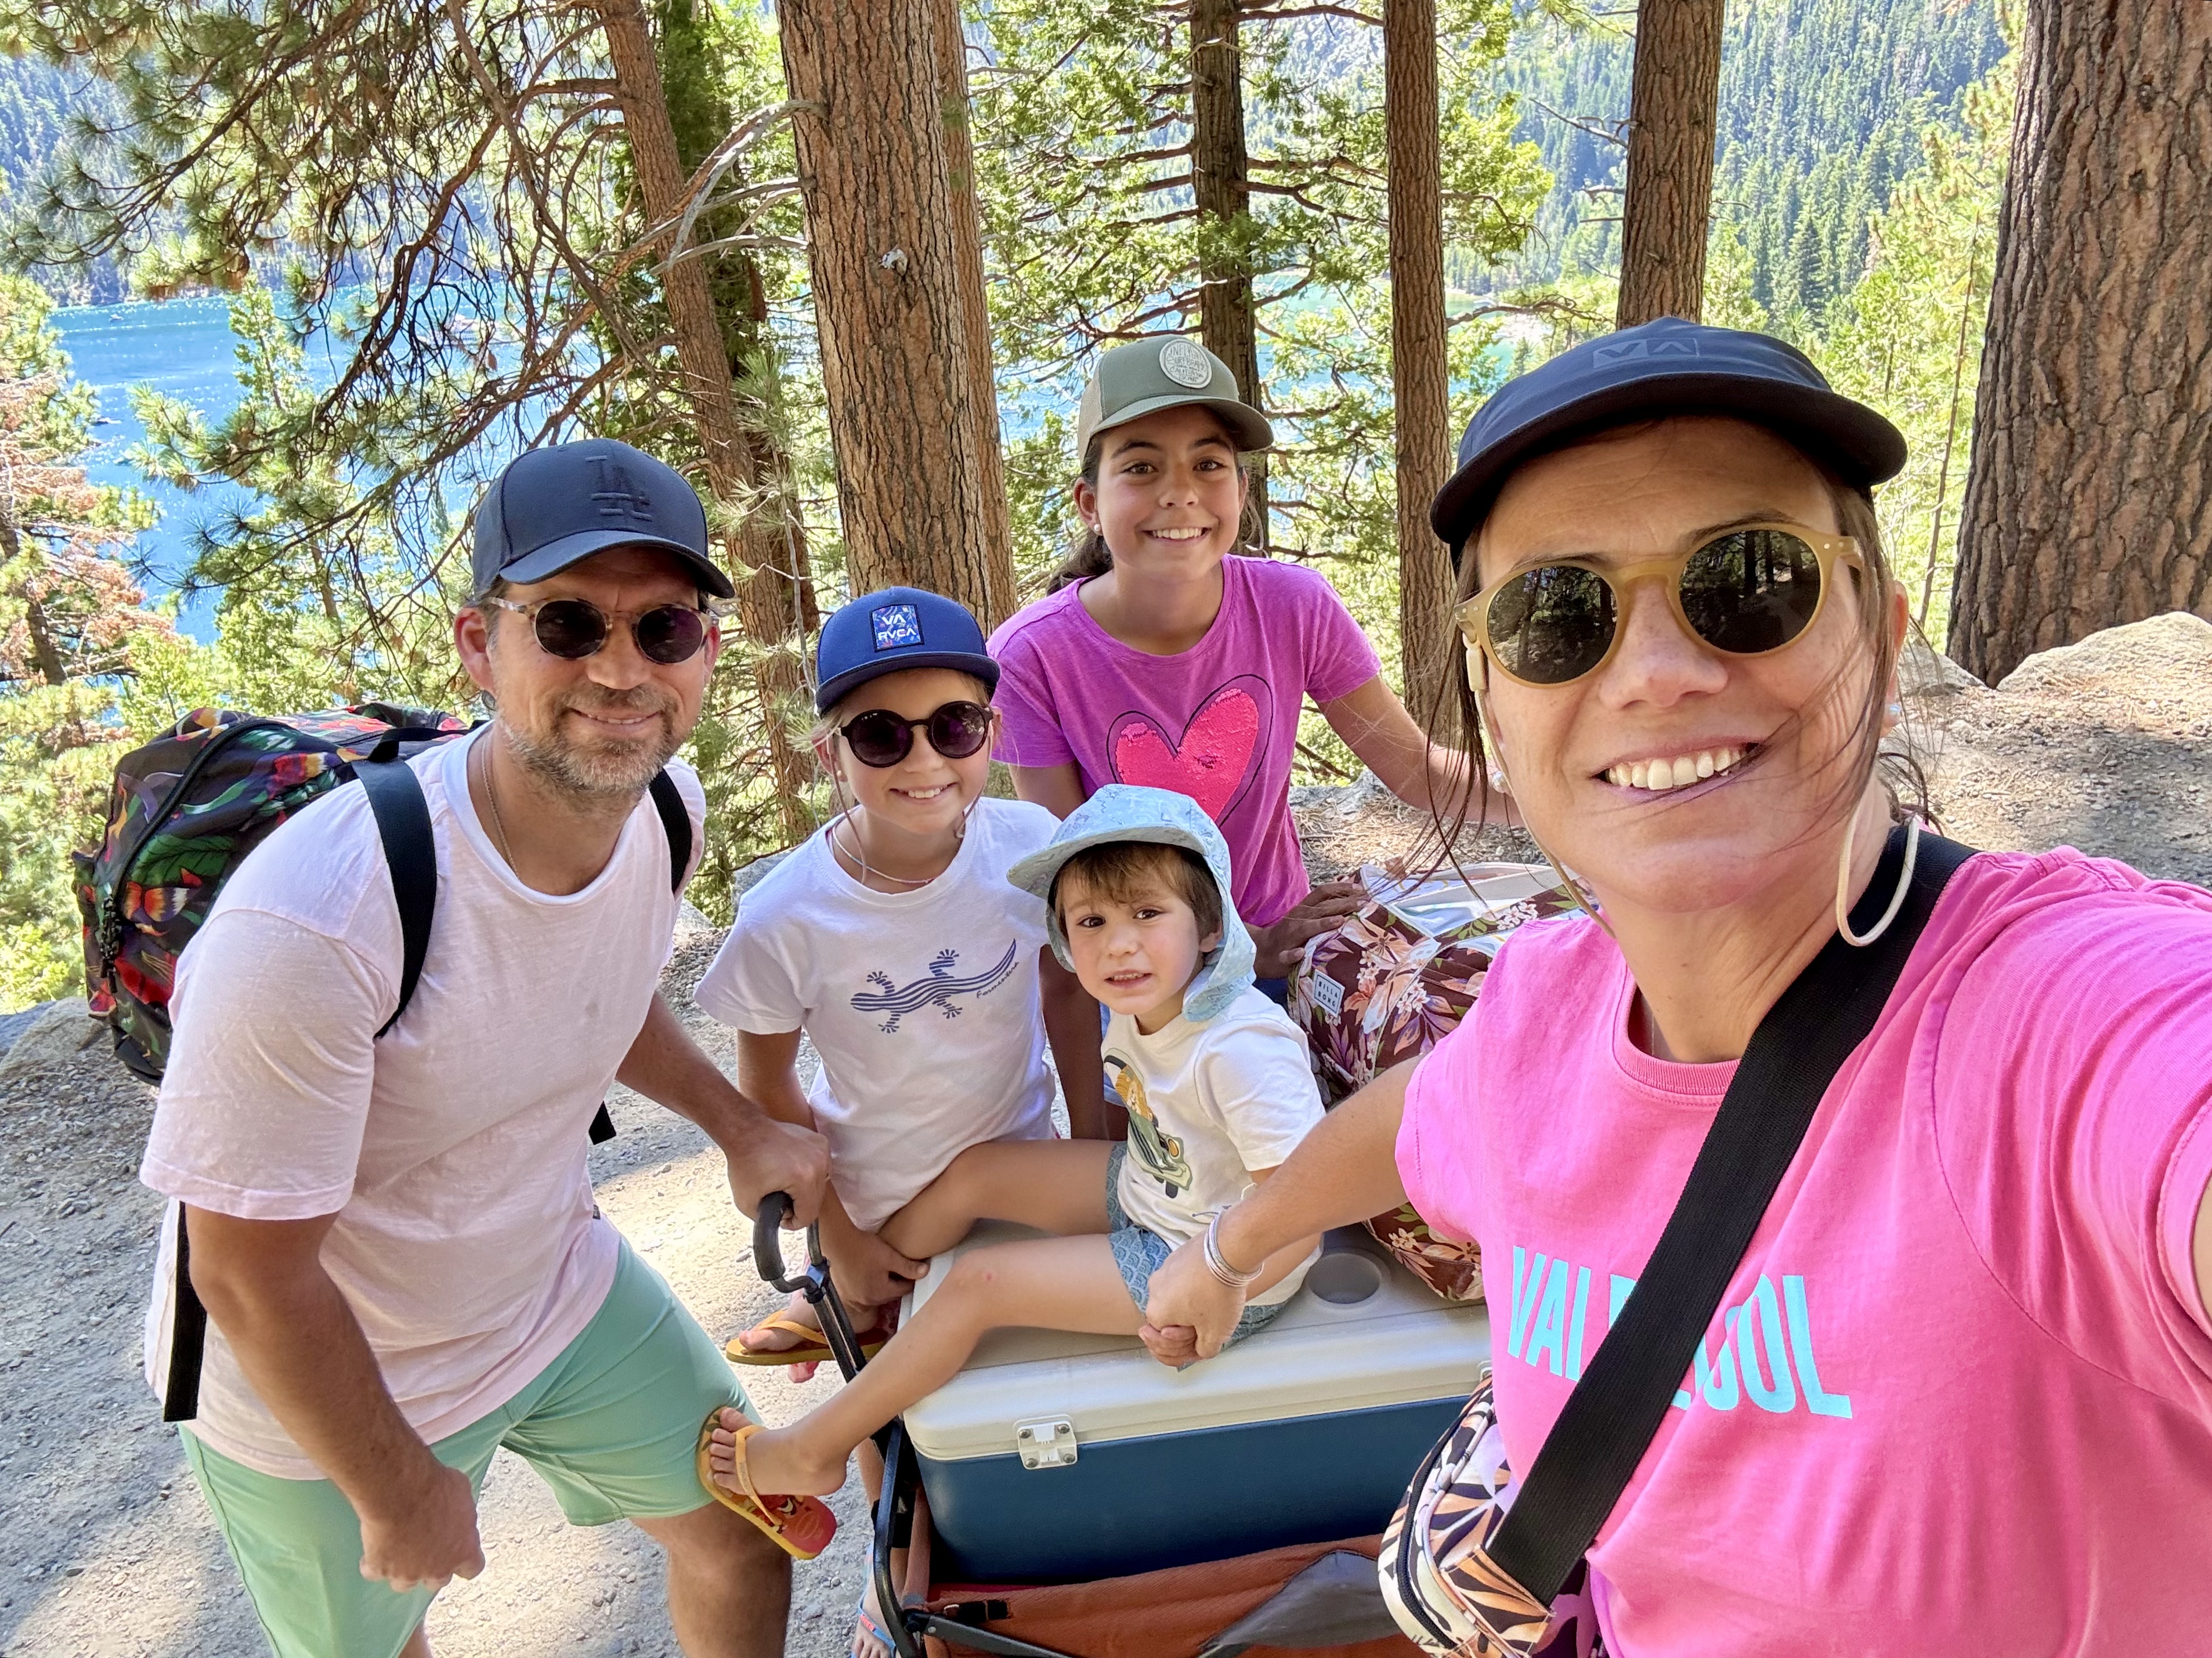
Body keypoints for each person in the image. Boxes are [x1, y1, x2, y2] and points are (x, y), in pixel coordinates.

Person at [1140, 318, 2212, 1655]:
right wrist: (1225, 1251)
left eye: (1747, 579)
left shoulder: (2059, 1025)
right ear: (1493, 693)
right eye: (1555, 614)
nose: (1654, 672)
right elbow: (1425, 1116)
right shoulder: (1538, 1014)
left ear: (1877, 634)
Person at [139, 437, 833, 1658]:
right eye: (567, 623)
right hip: (322, 1377)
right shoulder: (312, 920)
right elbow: (244, 1274)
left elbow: (595, 985)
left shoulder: (661, 808)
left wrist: (742, 1123)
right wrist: (394, 1478)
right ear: (478, 645)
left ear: (705, 651)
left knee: (745, 1526)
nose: (622, 671)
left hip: (546, 1290)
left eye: (663, 628)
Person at [700, 784, 1325, 1514]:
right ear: (1059, 938)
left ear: (1210, 924)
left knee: (979, 1286)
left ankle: (810, 1451)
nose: (1118, 943)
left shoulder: (1241, 1047)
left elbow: (1301, 1209)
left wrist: (1212, 1289)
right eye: (1089, 920)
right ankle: (854, 1293)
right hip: (1165, 1191)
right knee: (979, 1170)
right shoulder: (1146, 1005)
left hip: (1215, 1266)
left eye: (1148, 914)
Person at [691, 586, 1107, 1657]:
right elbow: (771, 1087)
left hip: (1015, 1174)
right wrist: (838, 1235)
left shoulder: (1027, 842)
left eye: (953, 726)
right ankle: (898, 1598)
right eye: (881, 733)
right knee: (892, 1416)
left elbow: (1067, 986)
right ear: (833, 752)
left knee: (1028, 1394)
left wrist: (1092, 1118)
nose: (924, 759)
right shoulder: (789, 913)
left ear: (993, 732)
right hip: (875, 1197)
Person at [986, 337, 1483, 997]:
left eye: (1208, 464)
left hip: (1284, 963)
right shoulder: (1031, 656)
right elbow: (1080, 875)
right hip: (1139, 983)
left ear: (1241, 489)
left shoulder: (1292, 605)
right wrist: (1247, 947)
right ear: (1089, 503)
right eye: (1140, 468)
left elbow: (1413, 769)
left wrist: (1552, 793)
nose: (1180, 494)